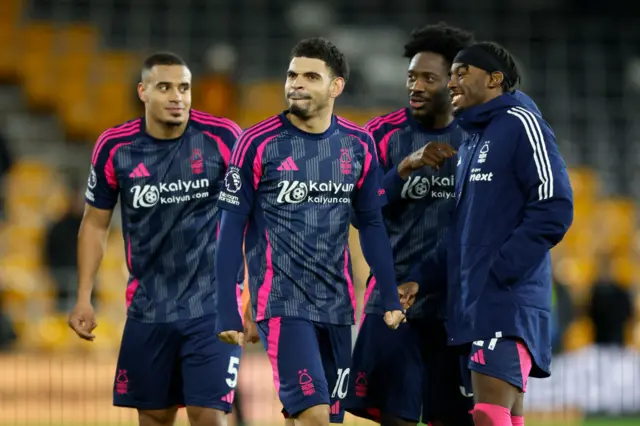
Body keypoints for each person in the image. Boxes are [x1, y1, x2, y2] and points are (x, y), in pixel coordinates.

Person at [214, 37, 406, 426]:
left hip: (337, 305)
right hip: (283, 303)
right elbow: (230, 229)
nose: (296, 83)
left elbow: (370, 224)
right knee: (315, 415)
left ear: (336, 87)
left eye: (310, 76)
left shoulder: (358, 145)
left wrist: (389, 295)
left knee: (318, 420)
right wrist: (226, 308)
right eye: (292, 74)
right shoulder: (257, 143)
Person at [67, 52, 243, 426]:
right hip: (149, 309)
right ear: (143, 92)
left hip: (211, 307)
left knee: (210, 416)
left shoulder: (224, 138)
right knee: (154, 419)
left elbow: (253, 216)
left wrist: (255, 291)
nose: (177, 96)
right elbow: (95, 224)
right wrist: (84, 297)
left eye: (184, 87)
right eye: (165, 87)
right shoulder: (116, 148)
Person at [344, 22, 475, 426]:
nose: (415, 86)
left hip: (456, 305)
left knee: (454, 418)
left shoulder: (476, 138)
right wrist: (404, 168)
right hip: (393, 298)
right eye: (411, 76)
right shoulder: (379, 135)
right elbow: (359, 212)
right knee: (394, 418)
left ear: (454, 82)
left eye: (428, 78)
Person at [445, 41, 574, 426]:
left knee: (488, 413)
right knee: (503, 414)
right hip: (479, 299)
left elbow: (554, 206)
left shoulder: (521, 122)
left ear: (494, 79)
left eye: (462, 71)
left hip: (506, 297)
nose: (451, 81)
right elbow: (466, 231)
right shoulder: (470, 142)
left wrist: (499, 271)